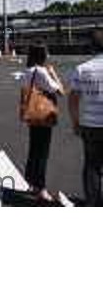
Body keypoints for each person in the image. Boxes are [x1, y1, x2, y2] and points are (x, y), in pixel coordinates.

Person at [21, 43, 65, 202]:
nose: (48, 54)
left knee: (34, 149)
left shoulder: (28, 70)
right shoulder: (41, 72)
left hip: (32, 114)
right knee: (42, 152)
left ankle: (32, 183)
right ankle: (41, 188)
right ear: (42, 55)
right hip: (44, 115)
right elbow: (60, 91)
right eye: (47, 51)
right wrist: (53, 74)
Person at [68, 30, 103, 206]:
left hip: (90, 124)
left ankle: (93, 203)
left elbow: (73, 99)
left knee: (92, 166)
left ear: (91, 47)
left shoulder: (82, 69)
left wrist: (75, 123)